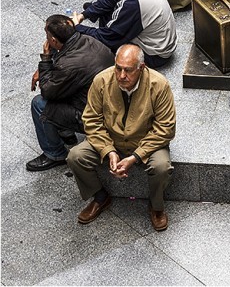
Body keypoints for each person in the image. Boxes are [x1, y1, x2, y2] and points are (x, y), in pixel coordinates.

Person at [66, 44, 176, 231]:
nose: (121, 75)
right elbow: (91, 120)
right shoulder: (101, 80)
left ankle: (156, 206)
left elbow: (166, 128)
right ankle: (100, 197)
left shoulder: (159, 84)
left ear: (141, 68)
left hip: (146, 142)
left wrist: (135, 156)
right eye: (118, 68)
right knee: (75, 156)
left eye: (128, 70)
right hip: (110, 139)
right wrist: (108, 151)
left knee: (161, 166)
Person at [26, 15, 114, 172]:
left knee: (39, 104)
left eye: (47, 35)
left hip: (95, 117)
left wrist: (45, 60)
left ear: (53, 40)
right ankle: (66, 132)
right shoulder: (89, 40)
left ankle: (54, 154)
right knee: (65, 88)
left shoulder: (68, 66)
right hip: (108, 102)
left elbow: (47, 90)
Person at [74, 0, 177, 69]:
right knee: (106, 12)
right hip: (159, 42)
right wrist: (84, 15)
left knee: (101, 43)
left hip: (154, 56)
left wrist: (77, 27)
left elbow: (108, 36)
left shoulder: (132, 4)